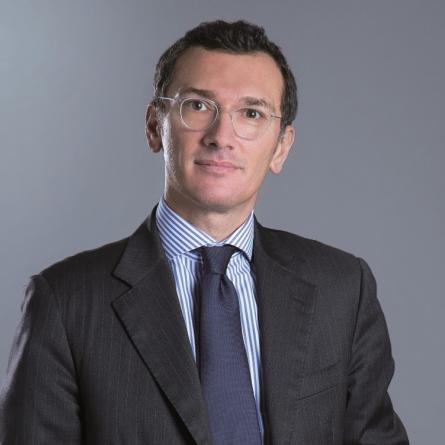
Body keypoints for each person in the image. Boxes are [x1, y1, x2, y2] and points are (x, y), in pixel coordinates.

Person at [0, 20, 409, 444]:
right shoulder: (65, 303)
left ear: (281, 147)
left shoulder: (342, 290)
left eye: (251, 113)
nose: (221, 137)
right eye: (197, 106)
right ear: (154, 126)